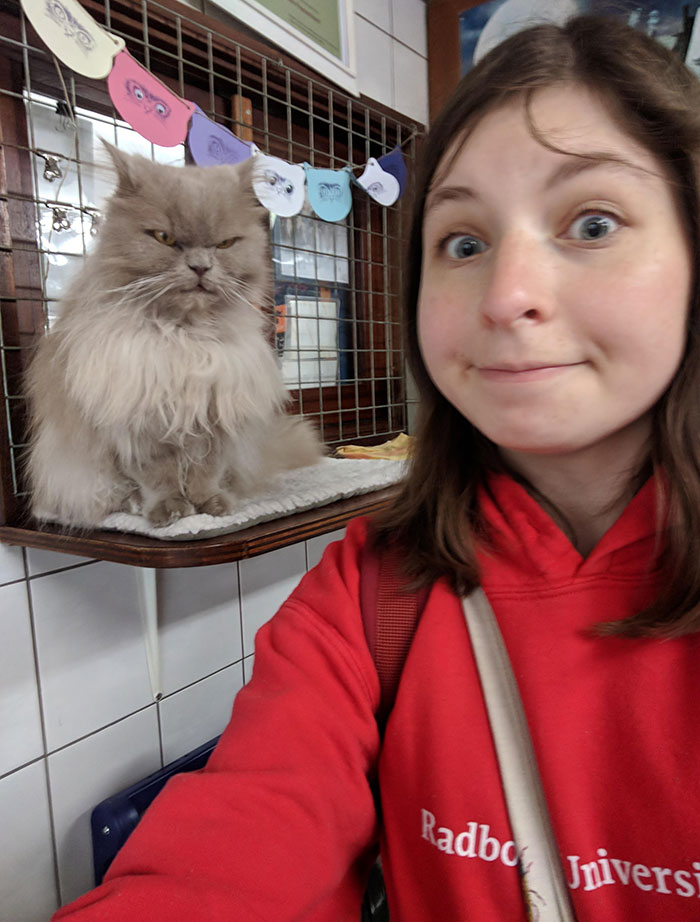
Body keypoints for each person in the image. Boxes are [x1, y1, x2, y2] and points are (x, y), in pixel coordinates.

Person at [52, 14, 700, 921]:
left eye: (591, 223)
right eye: (463, 243)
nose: (509, 294)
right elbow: (237, 839)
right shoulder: (371, 594)